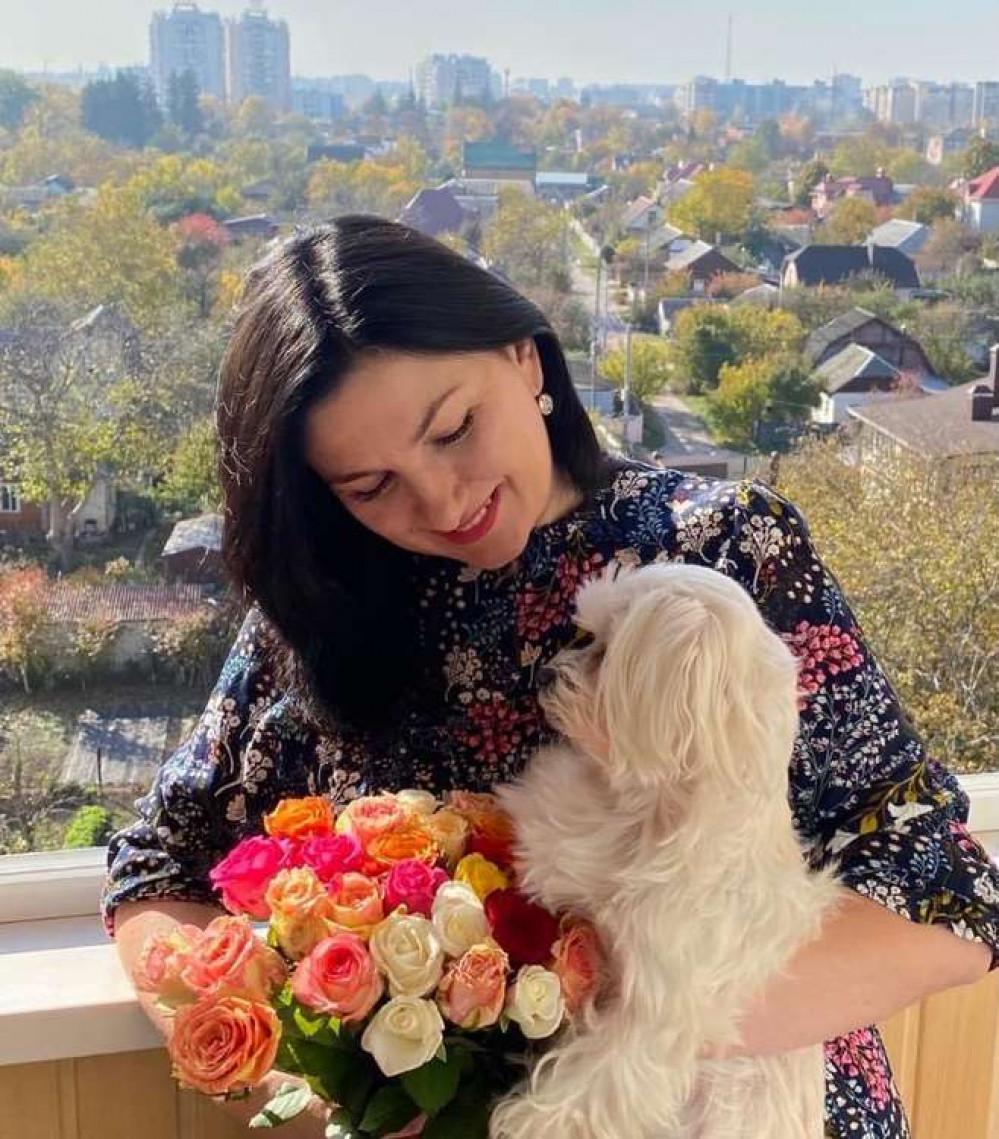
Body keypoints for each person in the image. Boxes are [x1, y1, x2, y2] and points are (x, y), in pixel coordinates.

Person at [105, 216, 998, 1139]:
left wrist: (616, 1029)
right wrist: (300, 1072)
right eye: (371, 485)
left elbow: (938, 891)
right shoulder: (319, 614)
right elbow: (158, 868)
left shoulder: (721, 554)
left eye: (454, 428)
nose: (441, 499)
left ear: (525, 358)